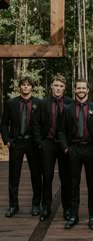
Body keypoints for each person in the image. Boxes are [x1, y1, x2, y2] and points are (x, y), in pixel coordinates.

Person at [58, 79, 93, 230]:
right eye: (79, 88)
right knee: (73, 184)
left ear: (88, 90)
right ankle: (73, 215)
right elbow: (61, 131)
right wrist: (66, 149)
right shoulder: (67, 109)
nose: (81, 90)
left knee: (92, 184)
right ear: (74, 90)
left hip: (91, 149)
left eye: (84, 88)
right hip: (73, 149)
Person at [33, 73, 73, 221]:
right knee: (47, 177)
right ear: (51, 86)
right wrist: (40, 143)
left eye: (61, 86)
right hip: (48, 144)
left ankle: (67, 208)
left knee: (66, 177)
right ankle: (46, 207)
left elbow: (73, 124)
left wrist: (70, 144)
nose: (58, 88)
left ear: (65, 89)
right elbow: (35, 124)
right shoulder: (43, 103)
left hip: (64, 146)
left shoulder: (70, 103)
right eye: (56, 85)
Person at [1, 76, 42, 217]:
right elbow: (4, 124)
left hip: (33, 144)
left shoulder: (39, 103)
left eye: (28, 85)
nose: (25, 87)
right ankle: (13, 205)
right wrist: (7, 140)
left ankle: (36, 205)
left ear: (32, 87)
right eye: (23, 85)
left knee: (36, 175)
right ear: (20, 87)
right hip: (16, 143)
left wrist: (40, 141)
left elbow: (44, 123)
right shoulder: (11, 103)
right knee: (14, 175)